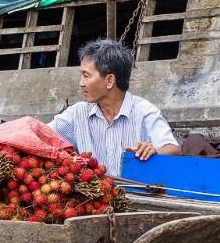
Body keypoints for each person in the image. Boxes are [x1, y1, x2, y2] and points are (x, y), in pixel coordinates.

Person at [48, 39, 181, 176]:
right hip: (92, 195)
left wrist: (154, 151)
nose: (81, 83)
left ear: (110, 80)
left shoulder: (144, 111)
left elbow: (173, 149)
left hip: (135, 194)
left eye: (86, 76)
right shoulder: (77, 113)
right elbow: (43, 134)